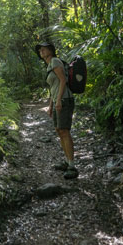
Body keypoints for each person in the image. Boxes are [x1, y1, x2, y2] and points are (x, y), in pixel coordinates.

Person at [36, 42, 78, 179]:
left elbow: (63, 81)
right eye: (40, 50)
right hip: (58, 101)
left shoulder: (55, 61)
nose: (41, 51)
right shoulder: (49, 65)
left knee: (64, 131)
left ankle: (72, 165)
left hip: (65, 100)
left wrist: (59, 100)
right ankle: (67, 161)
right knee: (59, 130)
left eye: (44, 49)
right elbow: (53, 87)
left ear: (51, 51)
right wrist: (51, 105)